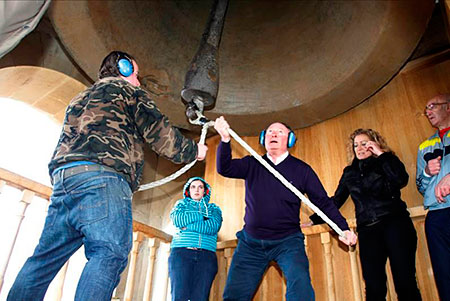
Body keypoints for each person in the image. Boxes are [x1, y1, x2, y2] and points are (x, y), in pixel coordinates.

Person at [7, 51, 208, 301]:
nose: (138, 80)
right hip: (104, 179)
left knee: (44, 259)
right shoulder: (129, 92)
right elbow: (160, 135)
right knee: (109, 252)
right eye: (135, 73)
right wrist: (193, 151)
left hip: (65, 181)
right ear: (123, 69)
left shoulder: (80, 98)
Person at [214, 116, 357, 301]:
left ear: (289, 140)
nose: (273, 134)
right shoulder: (252, 163)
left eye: (279, 131)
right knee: (234, 296)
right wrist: (225, 140)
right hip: (251, 244)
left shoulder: (302, 170)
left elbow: (323, 202)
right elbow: (224, 168)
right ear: (263, 138)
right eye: (270, 132)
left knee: (301, 291)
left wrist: (343, 228)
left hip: (287, 243)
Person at [310, 128, 421, 301]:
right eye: (356, 145)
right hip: (368, 231)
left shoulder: (388, 160)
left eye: (364, 143)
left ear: (375, 143)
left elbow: (401, 180)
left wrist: (381, 154)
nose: (360, 148)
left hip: (395, 224)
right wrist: (314, 220)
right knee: (373, 286)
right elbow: (336, 200)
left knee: (405, 282)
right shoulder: (349, 172)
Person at [416, 94, 450, 301]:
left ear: (448, 107)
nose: (428, 111)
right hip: (436, 216)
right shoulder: (424, 146)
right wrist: (428, 172)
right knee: (444, 275)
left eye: (432, 106)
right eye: (426, 108)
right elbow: (420, 185)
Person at [168, 177, 223, 301]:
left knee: (201, 298)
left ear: (205, 191)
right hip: (181, 254)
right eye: (193, 187)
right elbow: (178, 220)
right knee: (178, 297)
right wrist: (202, 216)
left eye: (200, 187)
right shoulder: (181, 204)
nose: (196, 190)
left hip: (206, 256)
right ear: (188, 190)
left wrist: (187, 227)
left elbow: (213, 227)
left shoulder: (214, 209)